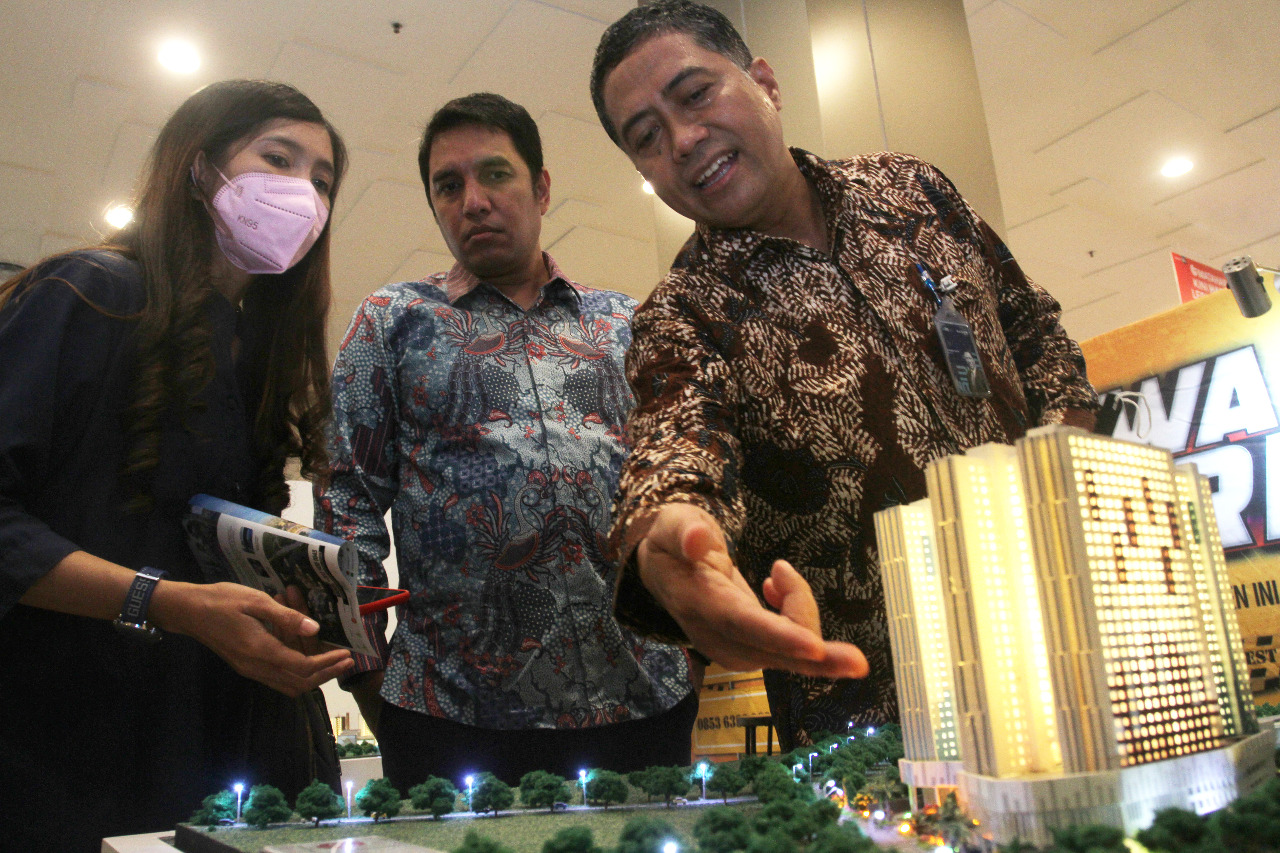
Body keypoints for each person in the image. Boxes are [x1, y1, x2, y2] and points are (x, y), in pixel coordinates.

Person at [590, 1, 1099, 749]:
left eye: (695, 94)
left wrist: (1064, 466)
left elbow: (1033, 329)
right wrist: (669, 541)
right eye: (646, 136)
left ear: (765, 83)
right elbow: (676, 446)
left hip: (1068, 635)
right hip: (885, 726)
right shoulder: (684, 314)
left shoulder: (913, 192)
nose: (685, 138)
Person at [0, 80, 354, 851]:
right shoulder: (90, 294)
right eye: (278, 158)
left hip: (209, 756)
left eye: (323, 181)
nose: (303, 191)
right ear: (199, 169)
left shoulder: (256, 356)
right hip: (68, 751)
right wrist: (165, 602)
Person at [317, 92, 697, 789]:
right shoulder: (393, 322)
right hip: (451, 716)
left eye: (495, 174)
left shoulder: (624, 324)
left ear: (541, 188)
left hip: (643, 700)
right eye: (448, 185)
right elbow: (348, 505)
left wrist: (693, 650)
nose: (474, 201)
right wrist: (367, 675)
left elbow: (679, 481)